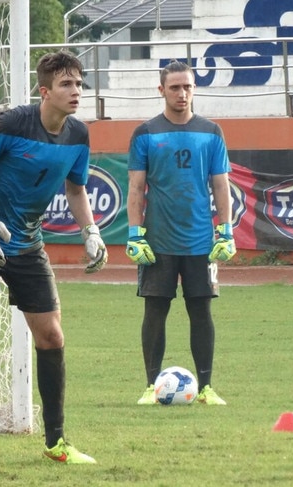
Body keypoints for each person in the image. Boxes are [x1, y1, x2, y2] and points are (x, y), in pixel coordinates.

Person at [0, 50, 107, 468]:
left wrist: (91, 232)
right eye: (67, 84)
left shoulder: (78, 135)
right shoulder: (12, 123)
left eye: (80, 84)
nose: (76, 92)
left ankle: (56, 442)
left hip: (27, 245)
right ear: (44, 90)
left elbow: (75, 189)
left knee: (52, 336)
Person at [125, 60, 236, 406]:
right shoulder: (145, 133)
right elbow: (135, 189)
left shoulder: (212, 132)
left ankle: (205, 388)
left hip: (201, 241)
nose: (182, 93)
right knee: (155, 312)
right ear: (162, 90)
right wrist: (134, 234)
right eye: (174, 87)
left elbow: (221, 186)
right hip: (158, 242)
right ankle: (148, 387)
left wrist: (226, 231)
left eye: (187, 86)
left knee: (201, 311)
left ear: (194, 89)